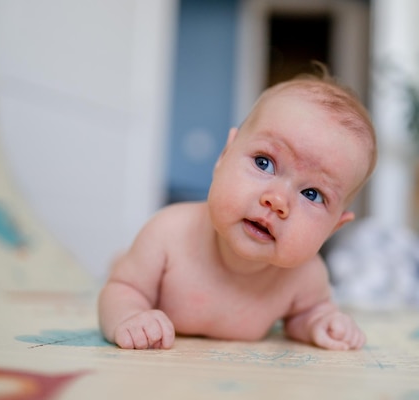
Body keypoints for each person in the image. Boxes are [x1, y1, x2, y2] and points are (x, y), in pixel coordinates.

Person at [98, 65, 377, 351]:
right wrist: (129, 315)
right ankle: (120, 260)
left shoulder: (306, 276)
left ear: (333, 228)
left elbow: (304, 316)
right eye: (263, 162)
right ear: (224, 155)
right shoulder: (168, 233)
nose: (277, 201)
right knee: (122, 269)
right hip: (143, 275)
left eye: (312, 193)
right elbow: (123, 289)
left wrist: (321, 323)